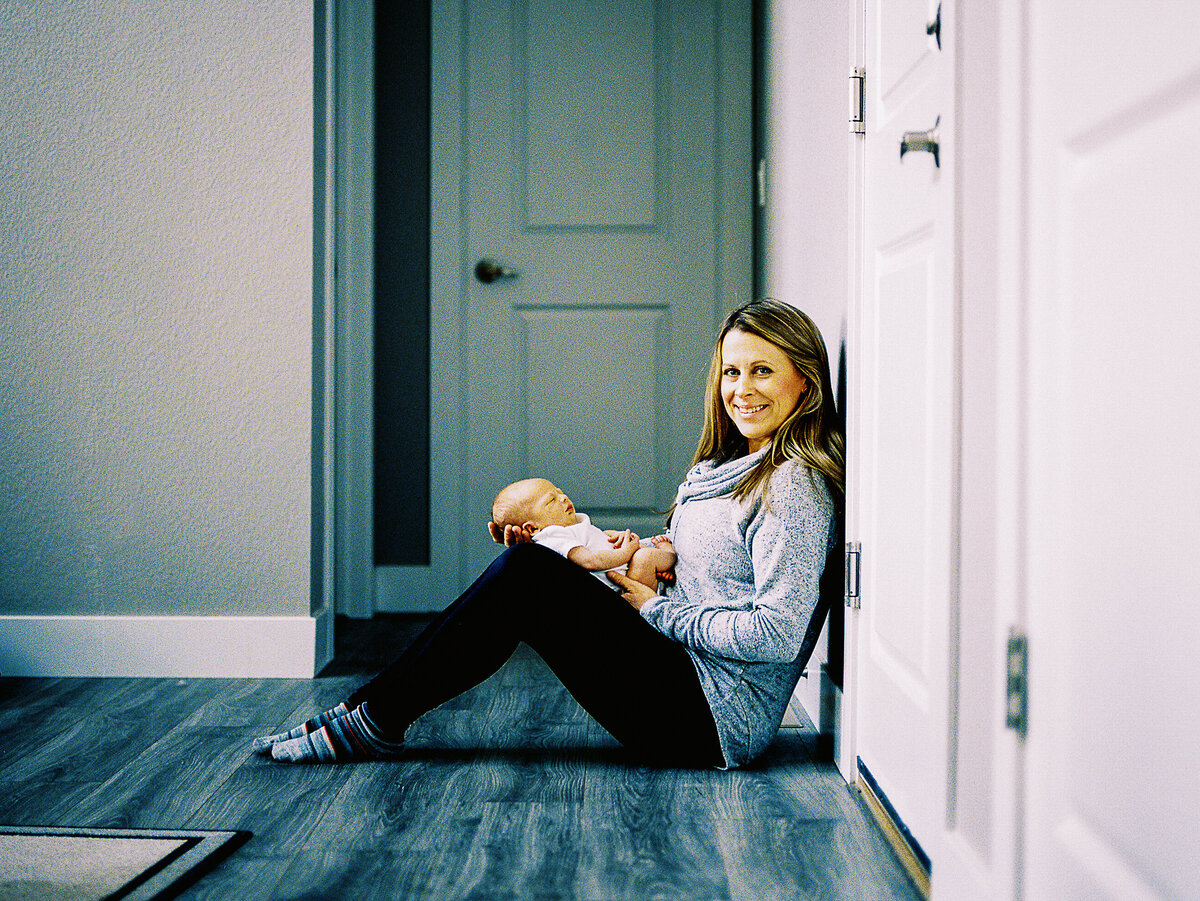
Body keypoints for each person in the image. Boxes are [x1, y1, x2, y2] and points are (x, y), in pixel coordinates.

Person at [254, 298, 844, 769]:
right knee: (533, 564)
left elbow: (777, 634)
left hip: (713, 718)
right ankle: (368, 716)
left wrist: (654, 611)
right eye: (732, 372)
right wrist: (585, 551)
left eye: (763, 371)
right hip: (680, 668)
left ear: (807, 383)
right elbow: (698, 572)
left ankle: (369, 719)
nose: (742, 388)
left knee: (527, 575)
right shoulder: (721, 470)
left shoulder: (794, 486)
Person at [490, 477, 676, 591]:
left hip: (623, 577)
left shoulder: (571, 525)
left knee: (643, 556)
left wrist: (615, 536)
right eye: (551, 500)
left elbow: (596, 539)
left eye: (560, 492)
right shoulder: (553, 537)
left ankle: (660, 571)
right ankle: (669, 555)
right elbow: (590, 561)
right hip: (619, 593)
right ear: (532, 529)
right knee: (644, 557)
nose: (563, 498)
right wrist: (627, 551)